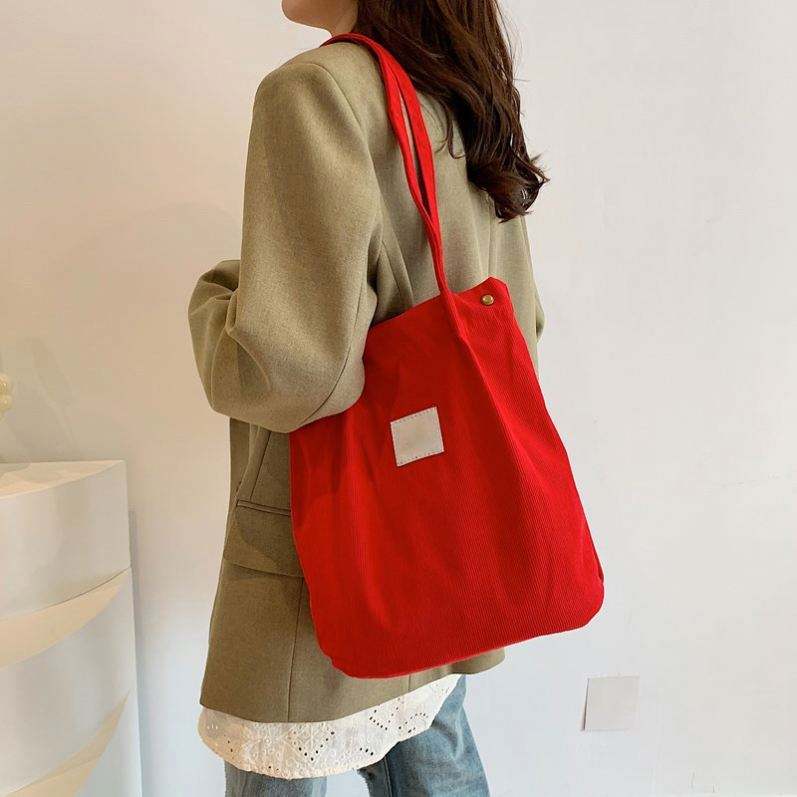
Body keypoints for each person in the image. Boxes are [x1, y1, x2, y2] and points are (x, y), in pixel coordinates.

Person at [187, 0, 547, 793]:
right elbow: (518, 324)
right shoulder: (460, 94)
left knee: (279, 763)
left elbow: (293, 372)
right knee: (435, 762)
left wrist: (216, 302)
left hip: (328, 541)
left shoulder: (317, 91)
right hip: (437, 531)